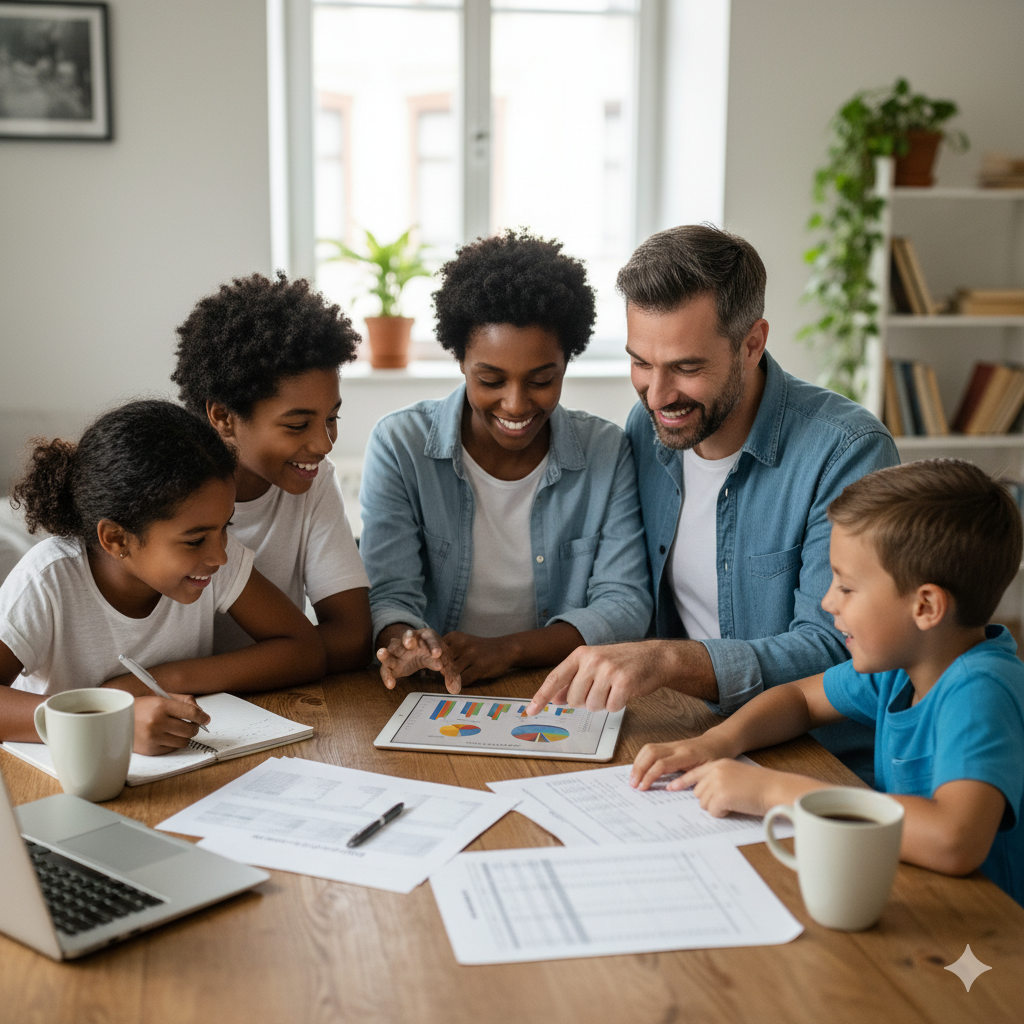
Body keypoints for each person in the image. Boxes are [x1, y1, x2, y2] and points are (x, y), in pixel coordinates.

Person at [526, 224, 899, 781]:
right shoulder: (649, 428)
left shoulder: (846, 451)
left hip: (815, 761)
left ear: (752, 344)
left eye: (686, 367)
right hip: (686, 734)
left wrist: (668, 660)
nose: (657, 395)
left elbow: (836, 650)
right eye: (641, 363)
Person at [630, 460, 1024, 904]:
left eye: (847, 587)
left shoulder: (979, 692)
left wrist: (772, 791)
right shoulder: (904, 666)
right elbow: (800, 698)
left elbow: (953, 840)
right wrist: (718, 741)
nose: (827, 602)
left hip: (988, 934)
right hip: (916, 891)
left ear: (926, 606)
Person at [360, 229, 652, 693]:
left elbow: (624, 604)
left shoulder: (606, 451)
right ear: (460, 360)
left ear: (566, 363)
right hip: (438, 690)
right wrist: (407, 644)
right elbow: (390, 593)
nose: (515, 405)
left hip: (554, 687)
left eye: (541, 379)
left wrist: (508, 649)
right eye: (491, 379)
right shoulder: (401, 445)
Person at [0, 400, 326, 755]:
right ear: (117, 539)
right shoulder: (48, 580)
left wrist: (163, 679)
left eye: (226, 527)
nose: (219, 555)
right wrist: (108, 720)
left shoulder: (211, 559)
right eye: (195, 540)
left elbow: (305, 650)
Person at [172, 271, 372, 673]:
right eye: (297, 425)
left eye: (331, 418)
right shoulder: (167, 491)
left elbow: (352, 636)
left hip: (230, 699)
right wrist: (281, 660)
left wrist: (182, 679)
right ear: (223, 416)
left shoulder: (312, 483)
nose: (323, 444)